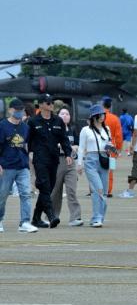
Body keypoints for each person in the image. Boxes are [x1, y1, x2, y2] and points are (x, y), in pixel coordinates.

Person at [27, 93, 73, 228]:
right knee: (44, 186)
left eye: (52, 102)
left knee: (48, 188)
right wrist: (29, 154)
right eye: (48, 103)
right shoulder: (33, 121)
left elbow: (64, 139)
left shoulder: (58, 121)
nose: (51, 105)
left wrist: (69, 154)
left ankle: (36, 218)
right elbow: (28, 140)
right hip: (40, 159)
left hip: (54, 159)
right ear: (41, 105)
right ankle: (52, 215)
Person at [0, 98, 38, 233]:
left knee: (26, 194)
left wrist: (30, 159)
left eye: (21, 110)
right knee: (2, 196)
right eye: (17, 110)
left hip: (22, 166)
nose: (19, 113)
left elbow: (27, 145)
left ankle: (25, 222)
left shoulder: (25, 127)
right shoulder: (2, 126)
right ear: (10, 110)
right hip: (6, 167)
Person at [77, 104, 114, 228]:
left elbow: (108, 143)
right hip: (91, 161)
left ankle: (99, 217)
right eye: (100, 114)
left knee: (103, 191)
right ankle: (96, 218)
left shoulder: (107, 129)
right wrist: (79, 164)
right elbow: (81, 148)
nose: (102, 116)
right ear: (93, 117)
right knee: (97, 189)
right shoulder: (85, 130)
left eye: (103, 114)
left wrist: (111, 148)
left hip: (104, 159)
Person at [52, 106, 83, 227]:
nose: (65, 116)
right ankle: (52, 216)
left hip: (70, 162)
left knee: (71, 190)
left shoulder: (72, 129)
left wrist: (74, 147)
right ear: (57, 116)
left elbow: (77, 145)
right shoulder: (54, 129)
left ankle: (75, 217)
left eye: (67, 114)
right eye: (62, 114)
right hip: (57, 161)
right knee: (55, 191)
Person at [101, 97, 123, 197]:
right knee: (110, 171)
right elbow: (118, 136)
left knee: (97, 169)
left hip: (98, 147)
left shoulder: (97, 117)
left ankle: (96, 189)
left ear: (102, 105)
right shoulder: (115, 119)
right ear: (110, 106)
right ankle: (108, 190)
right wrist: (118, 149)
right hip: (111, 149)